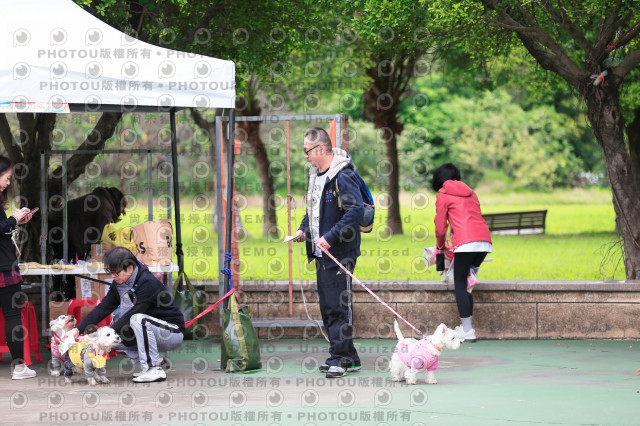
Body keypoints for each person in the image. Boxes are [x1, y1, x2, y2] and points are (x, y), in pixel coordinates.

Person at [294, 127, 364, 378]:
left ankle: (340, 358)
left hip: (340, 253)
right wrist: (303, 230)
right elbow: (312, 211)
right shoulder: (315, 175)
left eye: (307, 150)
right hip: (321, 253)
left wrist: (331, 237)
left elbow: (355, 211)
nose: (305, 156)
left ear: (321, 148)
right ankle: (349, 357)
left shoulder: (343, 175)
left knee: (338, 307)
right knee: (328, 306)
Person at [70, 246, 184, 383]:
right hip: (148, 330)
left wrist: (101, 335)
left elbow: (132, 315)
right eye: (110, 272)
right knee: (111, 340)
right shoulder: (118, 283)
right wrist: (78, 329)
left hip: (172, 332)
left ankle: (154, 368)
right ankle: (156, 360)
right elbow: (103, 308)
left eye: (116, 273)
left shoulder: (147, 283)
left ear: (130, 268)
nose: (113, 276)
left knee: (135, 320)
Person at [432, 163, 492, 342]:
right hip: (484, 241)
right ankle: (467, 327)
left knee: (459, 283)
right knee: (466, 282)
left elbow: (440, 226)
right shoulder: (471, 192)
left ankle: (467, 330)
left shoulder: (443, 194)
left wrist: (440, 246)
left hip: (466, 243)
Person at [0, 156, 36, 379]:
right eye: (6, 177)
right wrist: (13, 218)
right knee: (12, 316)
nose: (7, 182)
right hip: (4, 267)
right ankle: (20, 367)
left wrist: (15, 222)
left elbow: (3, 229)